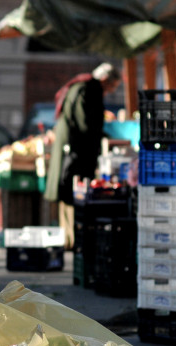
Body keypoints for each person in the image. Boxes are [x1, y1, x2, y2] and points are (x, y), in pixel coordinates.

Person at [45, 62, 121, 249]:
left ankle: (68, 239)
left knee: (67, 194)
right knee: (73, 194)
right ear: (105, 79)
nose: (110, 91)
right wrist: (104, 137)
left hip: (71, 149)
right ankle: (72, 239)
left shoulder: (80, 86)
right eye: (111, 87)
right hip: (77, 151)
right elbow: (85, 124)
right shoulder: (89, 89)